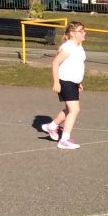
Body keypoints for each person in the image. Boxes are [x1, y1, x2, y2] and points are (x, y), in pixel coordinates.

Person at [41, 21, 87, 150]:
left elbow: (75, 65)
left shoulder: (78, 46)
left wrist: (79, 82)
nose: (84, 32)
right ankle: (64, 140)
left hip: (73, 82)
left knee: (69, 109)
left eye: (84, 30)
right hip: (65, 81)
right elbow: (55, 62)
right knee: (75, 110)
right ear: (72, 33)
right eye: (81, 30)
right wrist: (56, 82)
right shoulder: (69, 46)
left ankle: (52, 126)